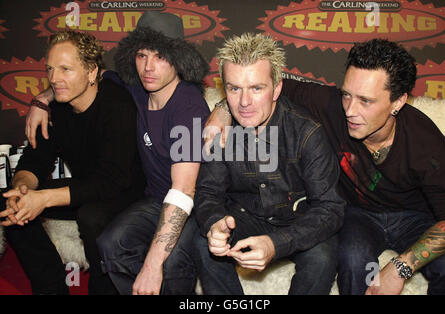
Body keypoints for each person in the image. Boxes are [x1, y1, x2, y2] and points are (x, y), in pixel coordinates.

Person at [206, 38, 445, 295]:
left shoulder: (427, 144)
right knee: (352, 259)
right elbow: (261, 85)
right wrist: (223, 110)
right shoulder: (329, 105)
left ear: (398, 102)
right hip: (358, 215)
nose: (350, 110)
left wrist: (401, 266)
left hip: (414, 219)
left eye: (366, 101)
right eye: (347, 95)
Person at [23, 11, 210, 295]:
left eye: (160, 56)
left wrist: (152, 265)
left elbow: (184, 191)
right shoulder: (135, 87)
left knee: (170, 266)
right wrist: (42, 100)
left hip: (192, 206)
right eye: (142, 55)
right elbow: (76, 81)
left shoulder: (189, 108)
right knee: (110, 243)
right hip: (153, 199)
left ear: (179, 59)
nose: (148, 67)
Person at [193, 33, 345, 295]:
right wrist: (214, 223)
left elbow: (330, 208)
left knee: (322, 258)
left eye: (256, 88)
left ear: (276, 88)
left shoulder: (307, 132)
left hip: (300, 221)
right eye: (234, 88)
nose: (244, 102)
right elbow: (208, 192)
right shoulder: (222, 131)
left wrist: (277, 243)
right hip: (245, 217)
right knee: (200, 241)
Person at [0, 30, 145, 295]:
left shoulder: (117, 105)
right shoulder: (57, 106)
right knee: (7, 201)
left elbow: (112, 180)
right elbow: (37, 158)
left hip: (126, 192)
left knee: (91, 216)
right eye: (50, 69)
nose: (54, 79)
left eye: (65, 69)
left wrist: (43, 199)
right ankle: (51, 287)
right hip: (86, 187)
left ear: (92, 73)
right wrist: (22, 189)